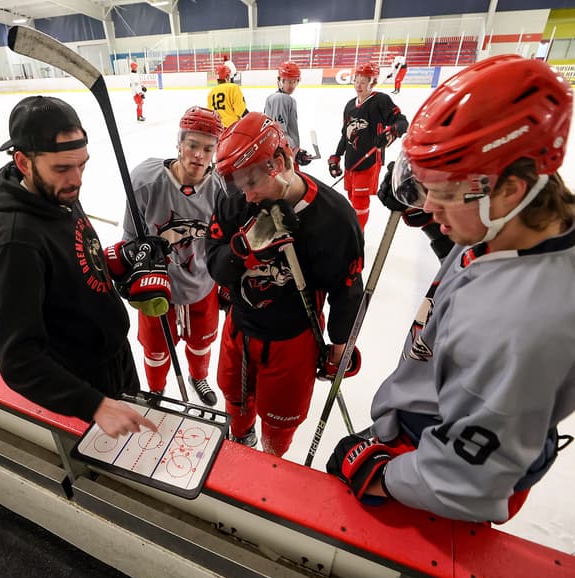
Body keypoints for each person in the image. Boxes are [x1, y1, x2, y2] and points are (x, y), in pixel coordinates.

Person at [327, 55, 575, 524]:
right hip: (427, 420)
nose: (427, 206)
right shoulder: (510, 228)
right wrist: (438, 213)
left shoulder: (521, 327)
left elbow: (469, 479)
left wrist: (384, 475)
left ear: (509, 190)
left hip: (435, 461)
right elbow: (478, 259)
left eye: (442, 190)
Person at [0, 95, 165, 438]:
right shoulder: (15, 241)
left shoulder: (57, 194)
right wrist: (93, 404)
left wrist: (119, 260)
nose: (76, 179)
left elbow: (75, 265)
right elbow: (18, 359)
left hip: (115, 363)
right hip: (82, 389)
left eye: (82, 164)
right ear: (23, 162)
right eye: (63, 168)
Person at [206, 112, 364, 456]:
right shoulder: (234, 202)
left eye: (251, 183)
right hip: (240, 329)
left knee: (279, 424)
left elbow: (348, 289)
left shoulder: (334, 217)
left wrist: (340, 344)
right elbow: (215, 266)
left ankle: (270, 461)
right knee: (235, 400)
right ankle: (241, 440)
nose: (245, 196)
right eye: (237, 184)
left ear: (278, 162)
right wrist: (242, 251)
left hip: (294, 342)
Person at [122, 106, 227, 405]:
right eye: (192, 145)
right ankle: (156, 389)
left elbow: (224, 241)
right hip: (157, 285)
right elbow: (130, 238)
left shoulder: (221, 188)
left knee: (201, 341)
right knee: (155, 348)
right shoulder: (146, 180)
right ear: (179, 143)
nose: (198, 155)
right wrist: (135, 268)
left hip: (201, 282)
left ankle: (198, 376)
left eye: (208, 148)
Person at [328, 62, 408, 230]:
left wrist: (393, 130)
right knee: (352, 197)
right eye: (357, 80)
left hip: (369, 160)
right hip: (352, 160)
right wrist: (336, 156)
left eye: (364, 81)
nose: (359, 85)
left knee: (360, 200)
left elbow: (401, 121)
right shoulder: (350, 105)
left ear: (373, 82)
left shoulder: (381, 100)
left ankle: (357, 234)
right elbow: (345, 134)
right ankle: (355, 229)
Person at [263, 61, 301, 150]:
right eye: (288, 81)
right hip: (284, 153)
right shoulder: (281, 98)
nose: (292, 85)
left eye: (294, 81)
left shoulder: (276, 98)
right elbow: (279, 131)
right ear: (280, 80)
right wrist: (294, 150)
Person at [207, 65, 248, 129]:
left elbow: (211, 113)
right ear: (227, 76)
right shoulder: (233, 88)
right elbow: (240, 110)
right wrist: (250, 117)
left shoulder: (211, 92)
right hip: (232, 128)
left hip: (218, 128)